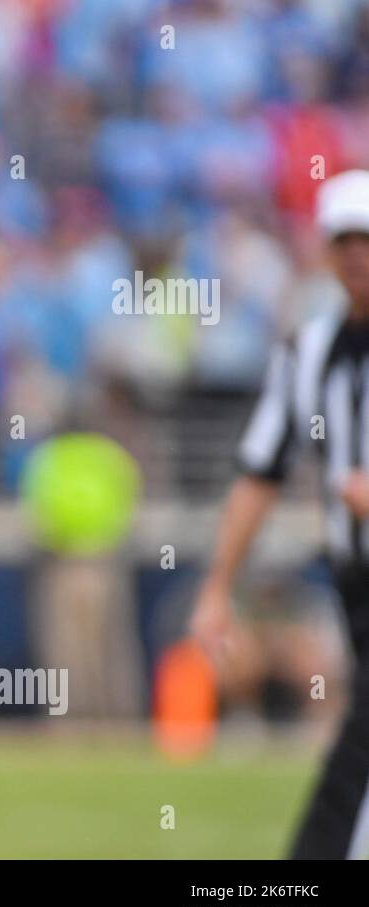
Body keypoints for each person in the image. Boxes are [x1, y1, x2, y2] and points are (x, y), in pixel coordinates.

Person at [188, 169, 369, 860]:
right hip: (356, 587)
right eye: (343, 240)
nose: (357, 254)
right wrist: (215, 588)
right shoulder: (310, 353)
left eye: (367, 238)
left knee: (351, 777)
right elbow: (260, 474)